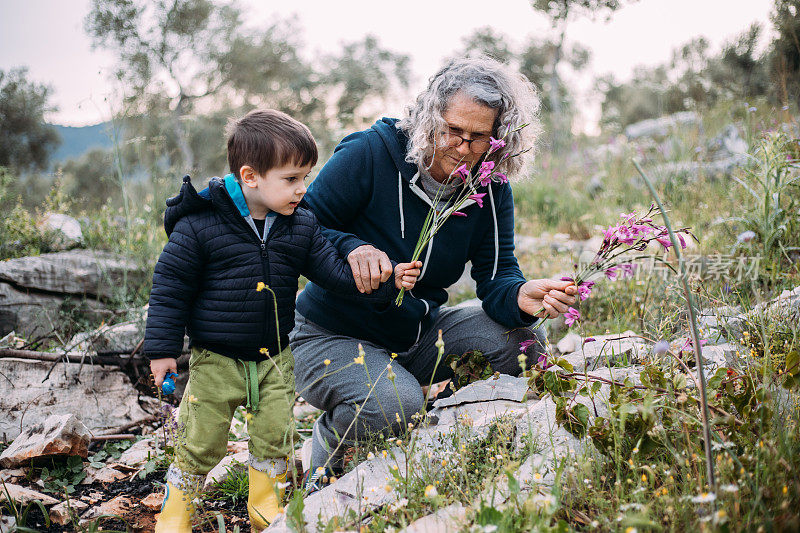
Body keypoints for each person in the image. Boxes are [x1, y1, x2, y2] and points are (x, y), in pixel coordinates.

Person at [289, 56, 578, 491]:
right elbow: (299, 224)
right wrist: (352, 247)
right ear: (429, 117)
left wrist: (520, 297)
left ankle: (452, 425)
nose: (461, 148)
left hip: (416, 336)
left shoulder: (490, 186)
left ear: (500, 139)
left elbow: (497, 277)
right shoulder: (370, 152)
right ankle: (328, 453)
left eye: (478, 137)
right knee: (396, 404)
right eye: (452, 130)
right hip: (327, 334)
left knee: (522, 341)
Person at [143, 109, 421, 532]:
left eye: (305, 177)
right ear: (251, 176)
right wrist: (162, 350)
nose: (303, 189)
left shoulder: (301, 225)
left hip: (275, 357)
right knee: (202, 439)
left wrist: (385, 282)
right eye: (292, 179)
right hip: (216, 359)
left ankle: (264, 506)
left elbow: (334, 274)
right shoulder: (199, 226)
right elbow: (170, 288)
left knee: (275, 435)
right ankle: (176, 510)